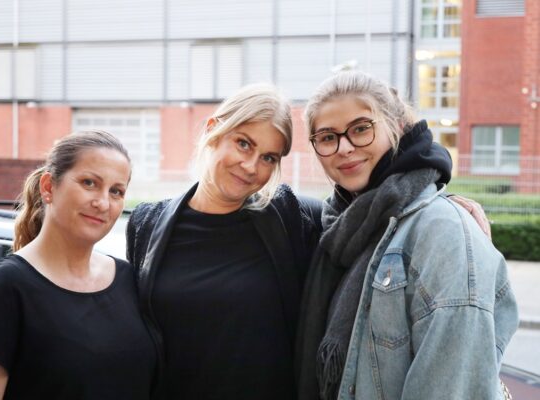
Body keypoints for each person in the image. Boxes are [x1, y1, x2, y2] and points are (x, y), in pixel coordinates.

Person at [126, 83, 489, 400]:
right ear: (213, 130)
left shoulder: (290, 218)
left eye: (268, 157)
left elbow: (367, 218)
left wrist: (437, 202)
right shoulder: (147, 224)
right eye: (243, 143)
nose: (251, 166)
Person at [295, 70, 519, 400]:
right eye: (328, 137)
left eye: (361, 128)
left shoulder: (443, 232)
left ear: (397, 126)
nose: (344, 147)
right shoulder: (335, 226)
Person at [0, 131, 156, 400]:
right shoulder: (2, 290)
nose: (103, 203)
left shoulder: (129, 279)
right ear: (48, 187)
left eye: (116, 191)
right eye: (89, 183)